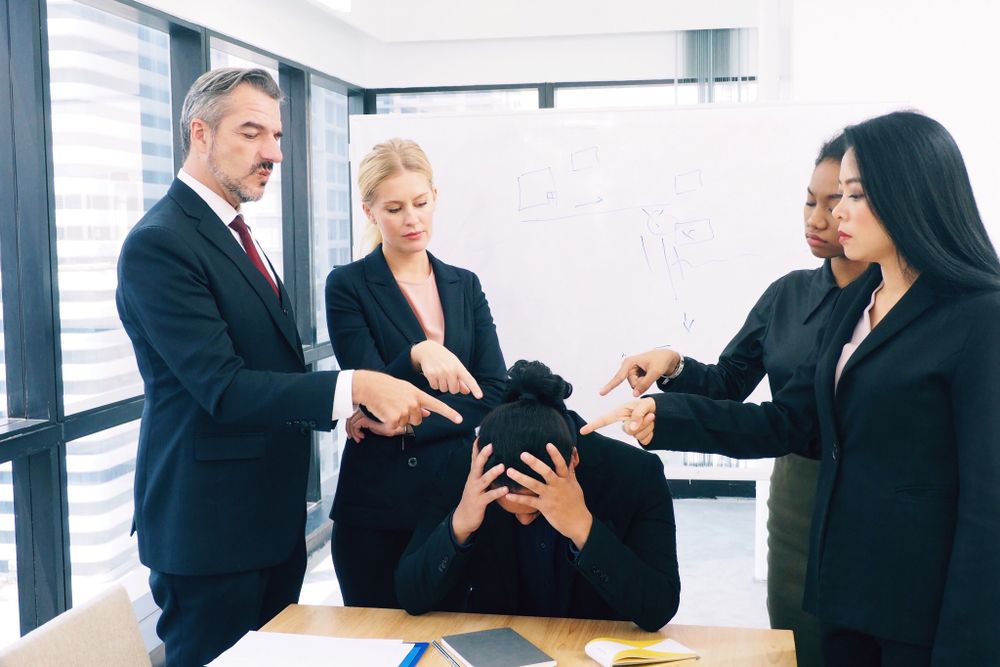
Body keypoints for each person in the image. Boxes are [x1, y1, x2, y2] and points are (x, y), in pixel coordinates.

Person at [584, 111, 1000, 666]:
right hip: (844, 585)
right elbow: (793, 421)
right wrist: (667, 414)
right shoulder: (856, 303)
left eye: (853, 194)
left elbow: (987, 505)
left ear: (909, 194)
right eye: (826, 197)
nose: (835, 212)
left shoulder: (978, 317)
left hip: (919, 601)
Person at [116, 69, 462, 667]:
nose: (272, 152)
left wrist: (344, 408)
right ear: (200, 133)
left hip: (269, 524)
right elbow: (221, 386)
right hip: (210, 533)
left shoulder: (234, 234)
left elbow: (267, 366)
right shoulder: (162, 243)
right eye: (252, 133)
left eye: (275, 135)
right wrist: (355, 384)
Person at [599, 133, 868, 667]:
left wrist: (668, 415)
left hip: (867, 496)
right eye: (809, 200)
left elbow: (797, 421)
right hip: (797, 496)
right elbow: (728, 381)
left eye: (835, 202)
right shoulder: (788, 294)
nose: (816, 218)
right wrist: (672, 365)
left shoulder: (891, 301)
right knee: (798, 641)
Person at [325, 138, 507, 609]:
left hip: (452, 497)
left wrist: (404, 421)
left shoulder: (464, 285)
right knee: (377, 643)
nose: (412, 219)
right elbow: (367, 392)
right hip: (376, 506)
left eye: (421, 203)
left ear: (435, 197)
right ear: (369, 212)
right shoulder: (347, 285)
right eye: (394, 208)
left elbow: (494, 391)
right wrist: (416, 354)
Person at [395, 360, 680, 631]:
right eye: (509, 506)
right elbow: (410, 596)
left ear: (573, 460)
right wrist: (459, 525)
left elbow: (658, 607)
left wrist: (583, 528)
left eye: (534, 507)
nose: (523, 520)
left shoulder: (634, 474)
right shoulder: (467, 471)